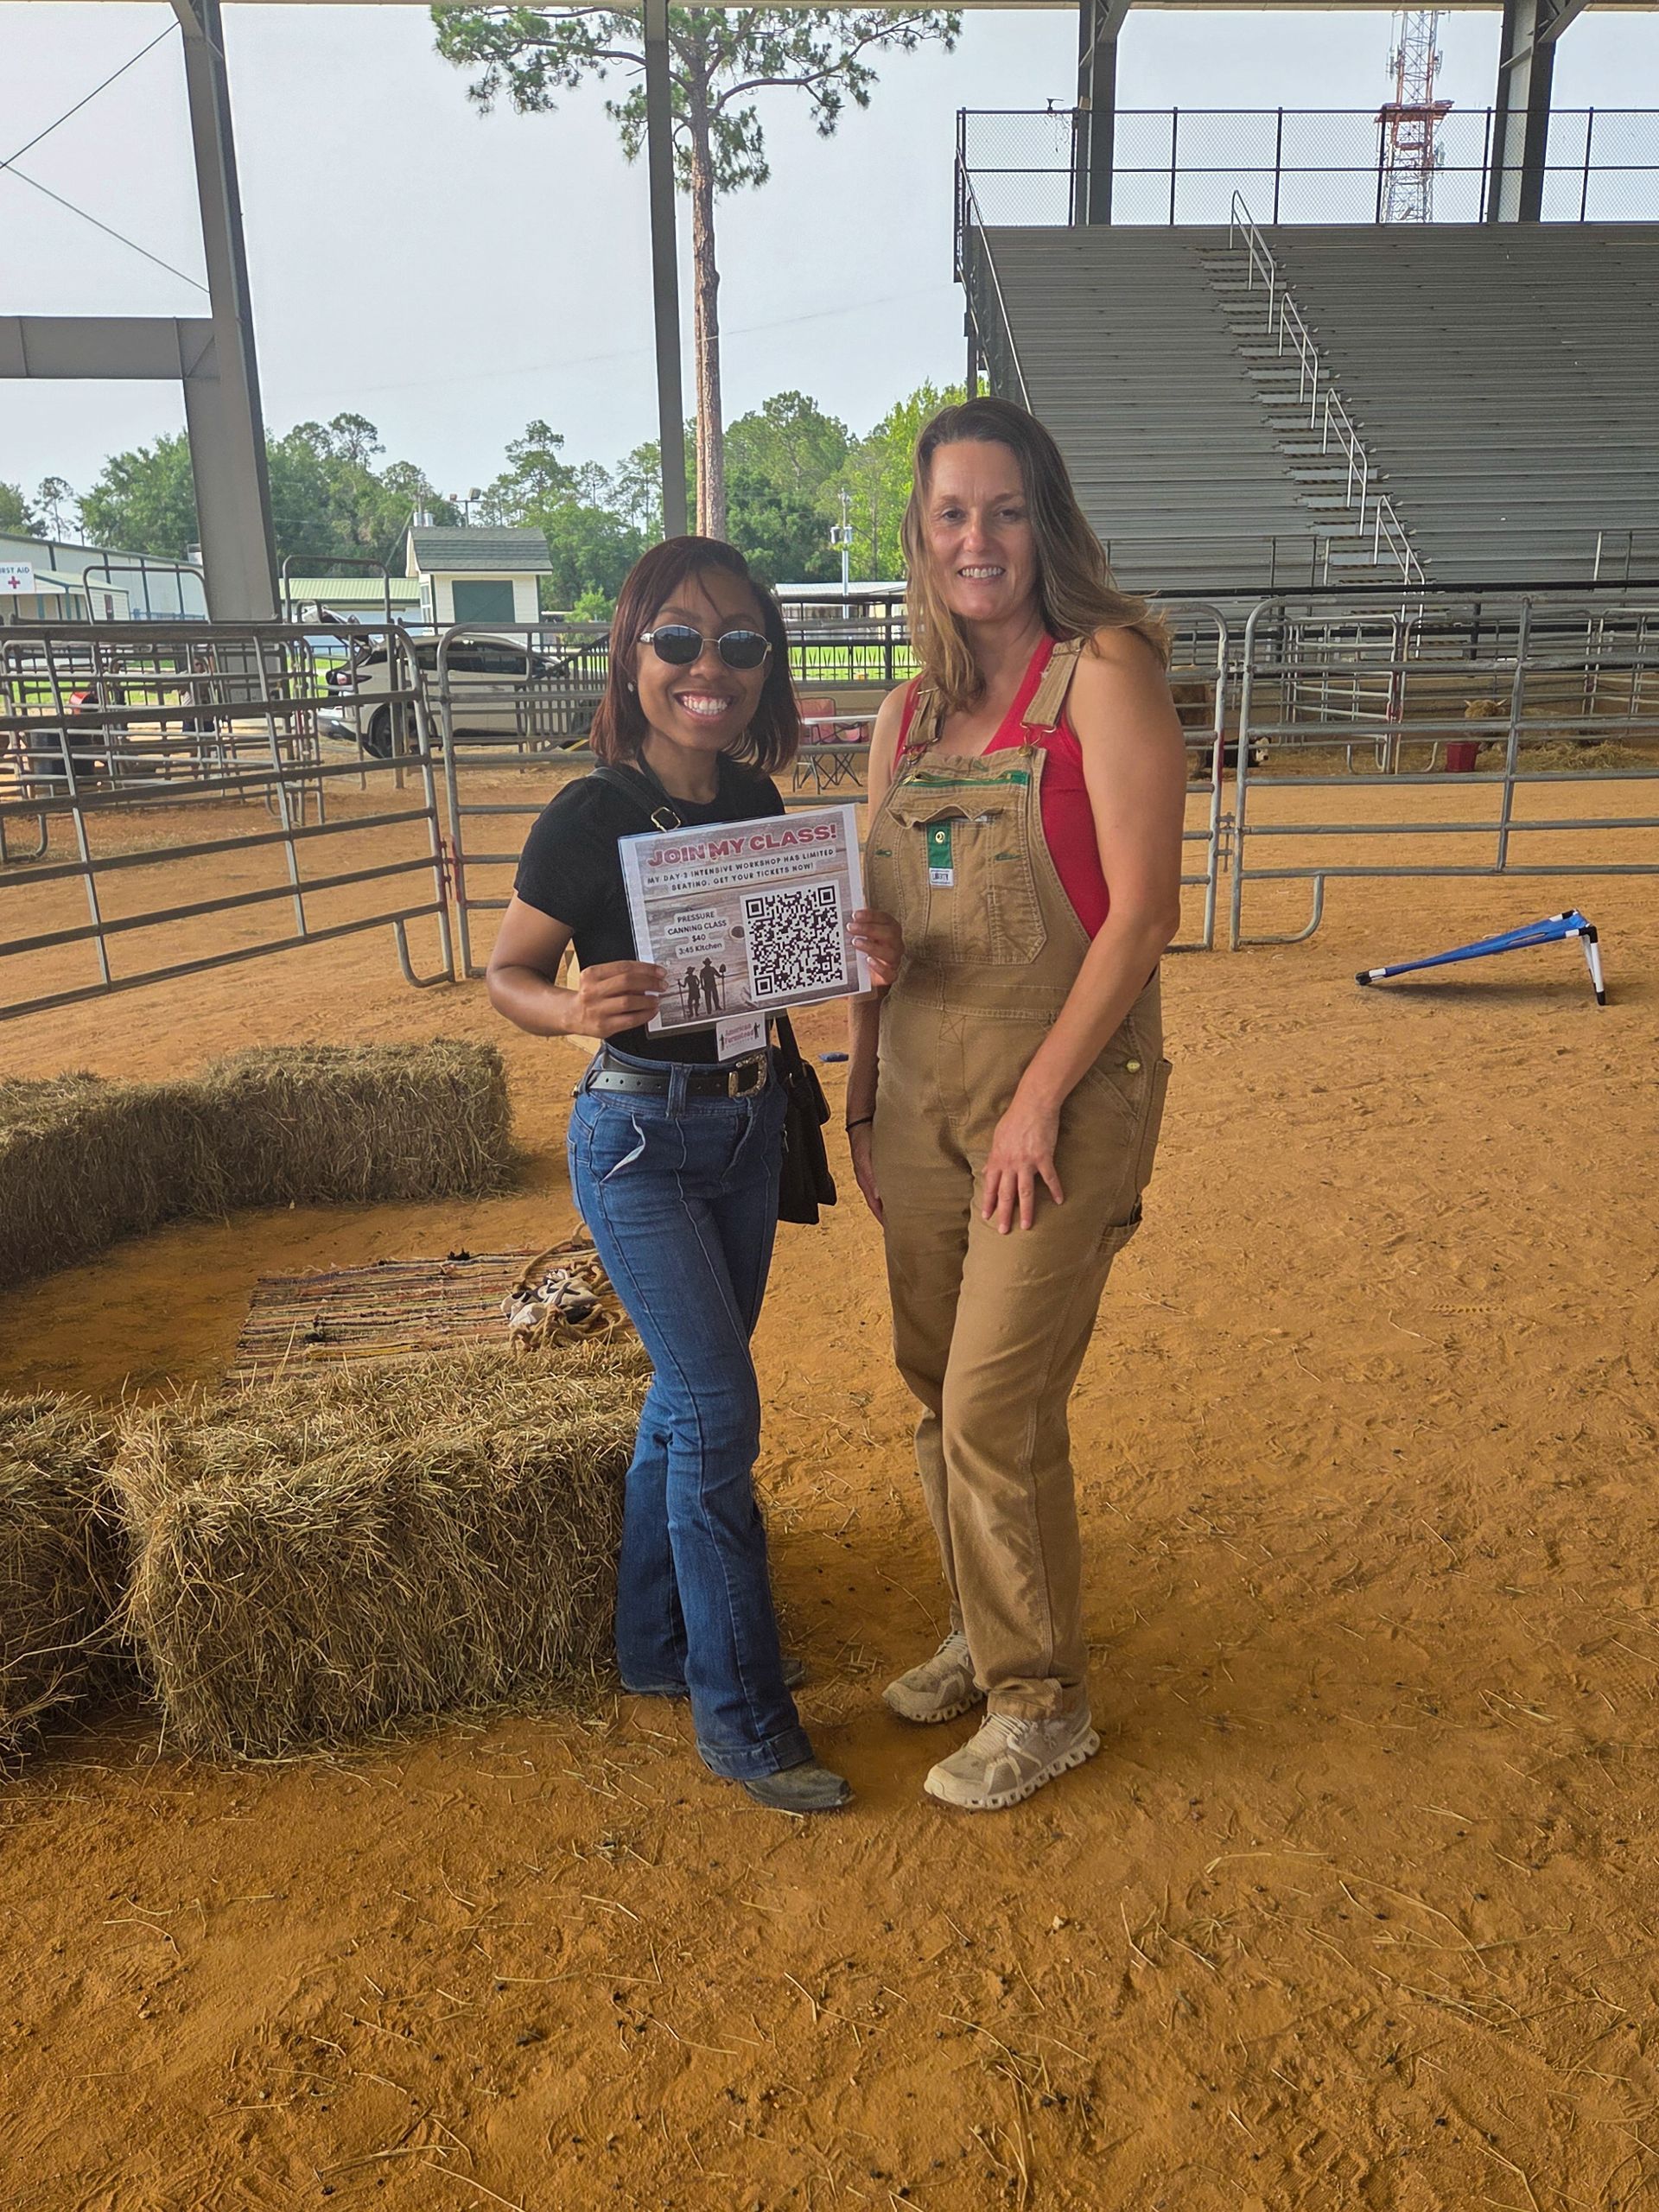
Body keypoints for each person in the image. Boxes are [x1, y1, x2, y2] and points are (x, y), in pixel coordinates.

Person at [487, 535, 898, 1816]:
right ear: (632, 652)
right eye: (676, 639)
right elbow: (504, 971)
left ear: (764, 668)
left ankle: (658, 1648)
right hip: (640, 1139)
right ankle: (745, 1717)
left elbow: (773, 966)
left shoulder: (755, 808)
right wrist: (565, 1012)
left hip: (742, 1123)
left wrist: (851, 944)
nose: (704, 667)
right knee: (719, 1411)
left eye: (737, 644)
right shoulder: (589, 814)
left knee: (685, 1403)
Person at [845, 397, 1187, 1813]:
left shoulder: (1102, 671)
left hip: (1064, 1088)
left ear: (1044, 521)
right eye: (949, 515)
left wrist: (1043, 1102)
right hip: (917, 1083)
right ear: (920, 542)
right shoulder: (907, 714)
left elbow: (1144, 914)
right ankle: (988, 1631)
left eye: (1002, 510)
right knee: (940, 1391)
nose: (976, 538)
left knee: (995, 1399)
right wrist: (859, 1082)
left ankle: (1043, 1700)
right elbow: (869, 915)